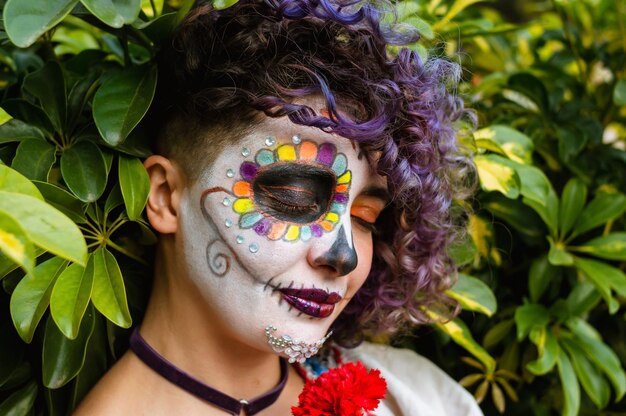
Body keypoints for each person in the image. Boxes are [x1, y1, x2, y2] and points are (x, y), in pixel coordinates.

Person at [76, 0, 481, 414]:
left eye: (365, 219)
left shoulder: (416, 398)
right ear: (163, 196)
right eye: (296, 197)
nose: (344, 255)